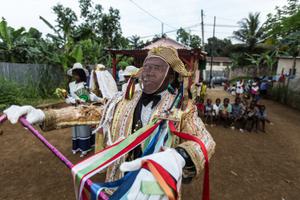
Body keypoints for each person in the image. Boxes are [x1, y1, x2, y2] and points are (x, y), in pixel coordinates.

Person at [4, 46, 215, 199]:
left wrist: (179, 156)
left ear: (171, 76)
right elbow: (88, 112)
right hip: (117, 179)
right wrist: (44, 114)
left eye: (157, 68)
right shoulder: (121, 100)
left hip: (154, 186)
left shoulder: (182, 108)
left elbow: (205, 141)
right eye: (147, 67)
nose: (149, 72)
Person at [66, 63, 94, 157]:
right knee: (75, 127)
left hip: (82, 109)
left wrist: (78, 101)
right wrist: (67, 98)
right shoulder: (71, 84)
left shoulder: (84, 85)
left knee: (83, 128)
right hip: (74, 108)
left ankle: (85, 148)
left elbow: (86, 99)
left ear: (81, 74)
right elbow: (70, 96)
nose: (75, 76)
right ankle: (76, 147)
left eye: (77, 74)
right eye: (74, 74)